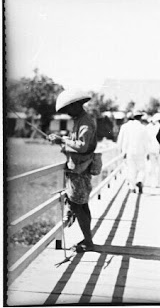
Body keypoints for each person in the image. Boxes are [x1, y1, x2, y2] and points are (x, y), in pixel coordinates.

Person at [48, 90, 97, 253]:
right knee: (82, 205)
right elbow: (76, 143)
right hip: (78, 167)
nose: (67, 112)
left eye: (69, 108)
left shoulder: (85, 122)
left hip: (80, 170)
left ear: (77, 105)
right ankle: (88, 239)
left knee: (77, 206)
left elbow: (82, 146)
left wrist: (62, 139)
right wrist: (62, 143)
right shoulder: (80, 120)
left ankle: (89, 242)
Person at [117, 111, 149, 194]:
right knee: (142, 169)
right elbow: (146, 141)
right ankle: (140, 180)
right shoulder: (143, 127)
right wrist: (147, 152)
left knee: (131, 169)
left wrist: (121, 151)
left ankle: (132, 186)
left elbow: (120, 140)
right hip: (141, 152)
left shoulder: (125, 126)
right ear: (141, 117)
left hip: (129, 151)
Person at [146, 118, 160, 188]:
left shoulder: (147, 127)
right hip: (158, 149)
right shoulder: (159, 126)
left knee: (152, 167)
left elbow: (146, 140)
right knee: (158, 167)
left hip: (151, 149)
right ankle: (157, 182)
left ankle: (152, 183)